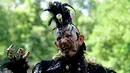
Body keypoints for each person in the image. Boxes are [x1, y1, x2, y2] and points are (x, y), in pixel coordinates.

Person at [1, 1, 116, 73]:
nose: (64, 41)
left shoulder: (97, 71)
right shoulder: (47, 69)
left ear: (80, 39)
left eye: (68, 35)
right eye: (59, 38)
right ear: (56, 45)